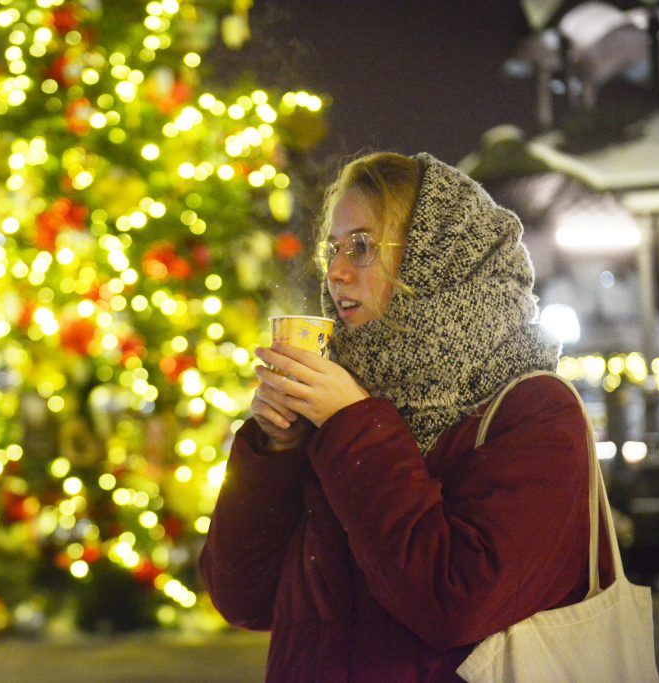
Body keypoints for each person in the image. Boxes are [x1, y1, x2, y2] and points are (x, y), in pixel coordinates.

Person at [199, 151, 615, 681]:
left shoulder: (534, 411)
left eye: (362, 247)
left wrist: (354, 425)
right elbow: (245, 600)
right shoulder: (338, 400)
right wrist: (274, 451)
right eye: (332, 249)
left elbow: (456, 603)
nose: (336, 271)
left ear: (434, 256)